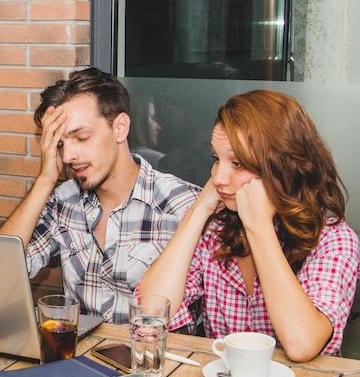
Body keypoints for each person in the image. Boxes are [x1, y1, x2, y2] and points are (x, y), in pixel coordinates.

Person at [138, 90, 359, 361]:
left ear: (282, 166)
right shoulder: (215, 231)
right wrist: (199, 211)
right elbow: (150, 311)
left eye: (238, 163)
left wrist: (259, 225)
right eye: (217, 160)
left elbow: (302, 343)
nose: (218, 178)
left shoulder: (334, 239)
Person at [0, 68, 200, 324]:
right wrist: (45, 180)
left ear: (120, 128)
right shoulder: (63, 201)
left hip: (149, 359)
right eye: (60, 144)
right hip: (77, 360)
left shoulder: (181, 204)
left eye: (81, 137)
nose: (69, 156)